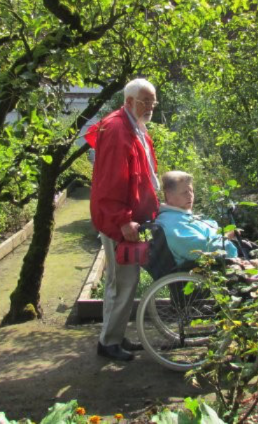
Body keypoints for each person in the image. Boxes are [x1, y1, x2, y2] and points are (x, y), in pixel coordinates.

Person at [86, 78, 160, 361]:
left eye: (153, 101)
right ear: (129, 101)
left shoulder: (132, 125)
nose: (151, 106)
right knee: (123, 281)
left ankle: (114, 335)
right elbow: (111, 183)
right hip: (120, 222)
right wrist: (122, 220)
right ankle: (109, 342)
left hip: (127, 218)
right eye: (146, 101)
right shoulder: (119, 129)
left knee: (121, 281)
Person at [156, 171, 258, 279]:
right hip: (210, 268)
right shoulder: (173, 223)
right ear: (169, 196)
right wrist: (226, 238)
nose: (190, 196)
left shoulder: (180, 216)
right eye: (184, 192)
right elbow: (201, 247)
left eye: (191, 191)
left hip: (219, 259)